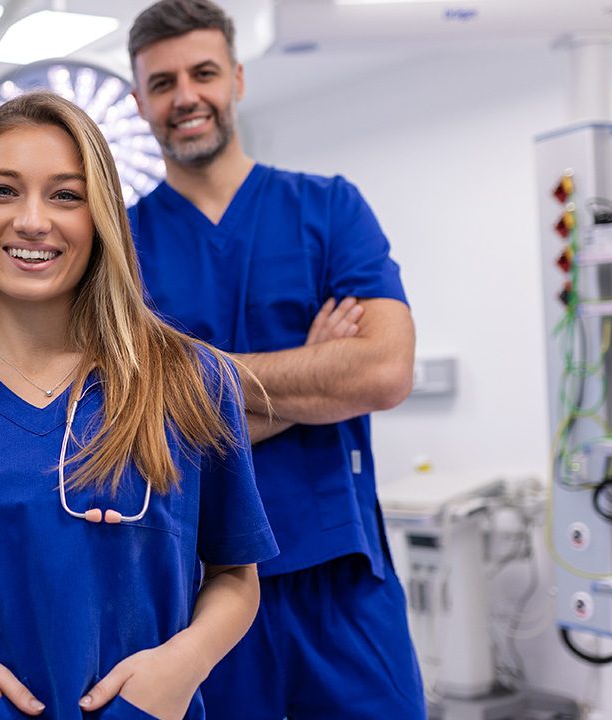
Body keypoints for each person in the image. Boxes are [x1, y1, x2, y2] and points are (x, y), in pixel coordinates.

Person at [0, 91, 278, 720]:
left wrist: (178, 670)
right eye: (3, 191)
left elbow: (235, 578)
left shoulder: (193, 381)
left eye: (65, 195)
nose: (32, 220)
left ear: (100, 214)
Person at [126, 2, 424, 718]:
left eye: (202, 73)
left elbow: (382, 372)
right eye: (162, 83)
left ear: (236, 78)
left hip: (341, 580)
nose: (185, 96)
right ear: (139, 102)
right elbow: (139, 425)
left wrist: (197, 389)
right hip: (195, 593)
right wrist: (318, 374)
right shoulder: (122, 250)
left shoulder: (328, 209)